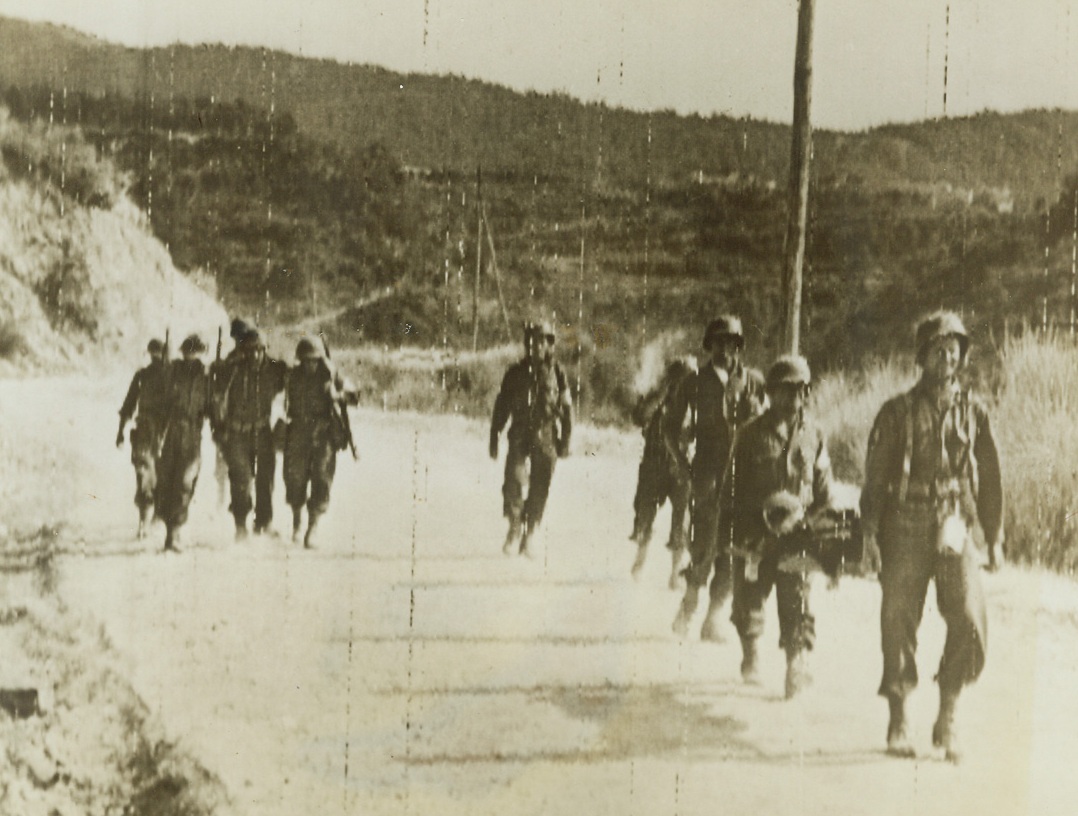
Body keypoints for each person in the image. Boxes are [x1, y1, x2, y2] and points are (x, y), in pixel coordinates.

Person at [861, 311, 1003, 763]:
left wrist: (993, 536)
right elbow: (874, 479)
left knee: (968, 617)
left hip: (952, 523)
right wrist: (869, 537)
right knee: (898, 617)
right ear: (922, 357)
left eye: (954, 349)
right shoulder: (897, 411)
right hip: (903, 522)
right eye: (938, 350)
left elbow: (992, 478)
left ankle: (948, 713)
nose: (947, 357)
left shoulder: (973, 411)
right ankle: (899, 717)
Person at [723, 355, 834, 698]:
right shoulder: (749, 435)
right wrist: (727, 538)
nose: (794, 399)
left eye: (801, 391)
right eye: (786, 391)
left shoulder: (814, 435)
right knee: (749, 601)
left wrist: (828, 538)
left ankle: (795, 665)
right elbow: (731, 491)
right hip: (755, 534)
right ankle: (752, 655)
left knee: (797, 599)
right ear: (770, 393)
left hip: (797, 535)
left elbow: (823, 489)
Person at [667, 316, 767, 640]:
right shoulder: (693, 383)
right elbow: (668, 428)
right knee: (704, 545)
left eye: (732, 343)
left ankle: (713, 618)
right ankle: (690, 602)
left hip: (742, 477)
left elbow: (767, 425)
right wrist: (683, 464)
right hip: (708, 475)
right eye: (720, 343)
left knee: (732, 549)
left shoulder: (753, 382)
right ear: (710, 345)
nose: (726, 350)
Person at [489, 320, 572, 557]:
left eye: (541, 342)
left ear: (549, 345)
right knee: (513, 480)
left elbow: (567, 410)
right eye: (532, 341)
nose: (535, 346)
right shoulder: (514, 373)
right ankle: (515, 527)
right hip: (520, 434)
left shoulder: (558, 373)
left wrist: (566, 440)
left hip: (546, 436)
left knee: (540, 488)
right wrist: (494, 437)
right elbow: (501, 406)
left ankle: (530, 533)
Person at [628, 354, 697, 586]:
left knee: (682, 519)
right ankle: (640, 561)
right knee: (645, 513)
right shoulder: (658, 398)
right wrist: (659, 396)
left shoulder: (698, 403)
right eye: (679, 377)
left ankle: (676, 571)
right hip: (654, 464)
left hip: (682, 467)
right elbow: (639, 417)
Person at [283, 337, 355, 548]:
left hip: (323, 435)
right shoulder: (293, 376)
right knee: (295, 478)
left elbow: (354, 395)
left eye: (314, 360)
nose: (310, 364)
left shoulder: (330, 374)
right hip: (298, 433)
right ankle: (297, 522)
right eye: (306, 360)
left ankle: (312, 529)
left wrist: (339, 394)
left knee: (322, 478)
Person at [216, 327, 287, 539]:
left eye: (259, 350)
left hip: (263, 431)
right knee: (241, 479)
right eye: (250, 350)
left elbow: (297, 378)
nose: (255, 355)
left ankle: (264, 523)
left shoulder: (275, 369)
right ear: (244, 351)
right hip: (237, 432)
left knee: (266, 479)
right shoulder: (233, 370)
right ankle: (240, 525)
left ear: (265, 350)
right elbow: (216, 393)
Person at [155, 334, 211, 552]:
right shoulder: (172, 371)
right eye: (187, 352)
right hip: (171, 433)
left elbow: (212, 406)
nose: (191, 357)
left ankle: (175, 531)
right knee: (167, 481)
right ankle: (170, 532)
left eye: (195, 353)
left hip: (193, 435)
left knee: (185, 482)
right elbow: (162, 400)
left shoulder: (206, 377)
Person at [116, 338, 171, 539]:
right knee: (142, 474)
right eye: (153, 354)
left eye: (160, 354)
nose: (156, 358)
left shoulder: (173, 375)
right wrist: (120, 432)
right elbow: (128, 405)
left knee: (163, 475)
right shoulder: (142, 376)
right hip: (145, 429)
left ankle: (160, 517)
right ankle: (143, 522)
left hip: (167, 430)